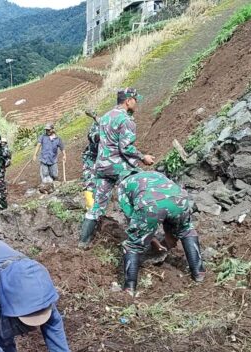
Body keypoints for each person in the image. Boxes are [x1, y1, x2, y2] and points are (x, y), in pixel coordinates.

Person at [79, 88, 156, 248]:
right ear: (128, 100)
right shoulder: (126, 120)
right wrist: (143, 157)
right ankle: (141, 242)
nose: (137, 103)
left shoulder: (106, 117)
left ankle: (83, 242)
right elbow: (126, 148)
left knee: (97, 206)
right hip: (120, 168)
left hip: (102, 168)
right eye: (135, 100)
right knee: (137, 197)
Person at [116, 169, 205, 294]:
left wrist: (148, 238)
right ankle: (199, 273)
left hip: (151, 205)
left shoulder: (123, 186)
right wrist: (166, 234)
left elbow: (132, 218)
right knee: (186, 230)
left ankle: (129, 288)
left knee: (133, 245)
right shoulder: (155, 173)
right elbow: (167, 199)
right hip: (179, 198)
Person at [81, 110, 100, 210]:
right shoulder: (96, 127)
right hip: (92, 158)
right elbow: (91, 137)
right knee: (89, 182)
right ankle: (91, 211)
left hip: (107, 160)